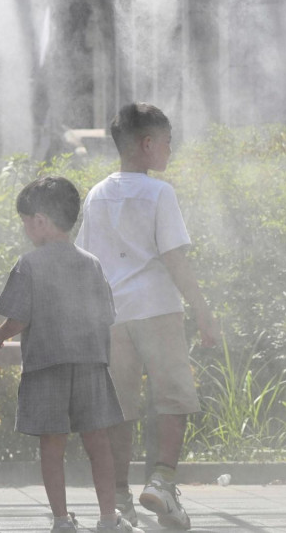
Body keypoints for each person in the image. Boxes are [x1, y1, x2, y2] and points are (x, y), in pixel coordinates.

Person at [75, 103, 220, 530]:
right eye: (168, 142)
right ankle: (162, 482)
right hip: (157, 310)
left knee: (120, 408)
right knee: (173, 398)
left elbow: (88, 262)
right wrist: (203, 310)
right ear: (148, 144)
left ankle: (119, 495)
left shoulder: (97, 193)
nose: (171, 150)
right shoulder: (160, 193)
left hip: (112, 315)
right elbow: (175, 257)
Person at [0, 177, 141, 533]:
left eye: (26, 221)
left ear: (40, 220)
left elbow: (19, 319)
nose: (25, 229)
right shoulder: (91, 263)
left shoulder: (29, 264)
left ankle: (61, 520)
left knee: (52, 446)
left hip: (45, 368)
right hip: (90, 365)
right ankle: (107, 519)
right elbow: (107, 315)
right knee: (98, 443)